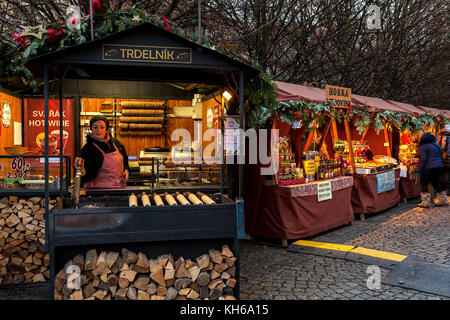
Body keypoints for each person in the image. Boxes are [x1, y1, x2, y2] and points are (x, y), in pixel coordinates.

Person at [75, 116, 129, 189]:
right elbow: (85, 173)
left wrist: (126, 169)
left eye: (102, 127)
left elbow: (125, 159)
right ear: (91, 129)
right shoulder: (88, 149)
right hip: (96, 190)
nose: (98, 130)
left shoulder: (116, 143)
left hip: (118, 187)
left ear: (106, 128)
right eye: (95, 127)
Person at [417, 132, 448, 207]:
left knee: (424, 183)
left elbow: (423, 159)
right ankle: (443, 200)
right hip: (439, 166)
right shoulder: (435, 145)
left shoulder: (424, 146)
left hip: (428, 168)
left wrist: (419, 170)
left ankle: (425, 202)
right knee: (437, 183)